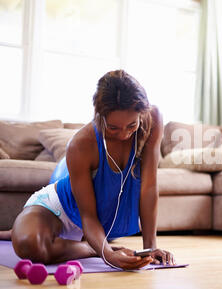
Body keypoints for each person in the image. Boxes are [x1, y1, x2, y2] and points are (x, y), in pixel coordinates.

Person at [1, 70, 174, 270]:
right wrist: (107, 254)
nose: (124, 135)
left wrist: (150, 248)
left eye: (131, 125)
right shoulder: (81, 144)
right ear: (99, 115)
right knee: (29, 244)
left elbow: (149, 187)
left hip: (92, 225)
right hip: (59, 209)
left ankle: (14, 233)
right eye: (113, 128)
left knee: (29, 237)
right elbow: (88, 217)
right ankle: (90, 248)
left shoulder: (153, 119)